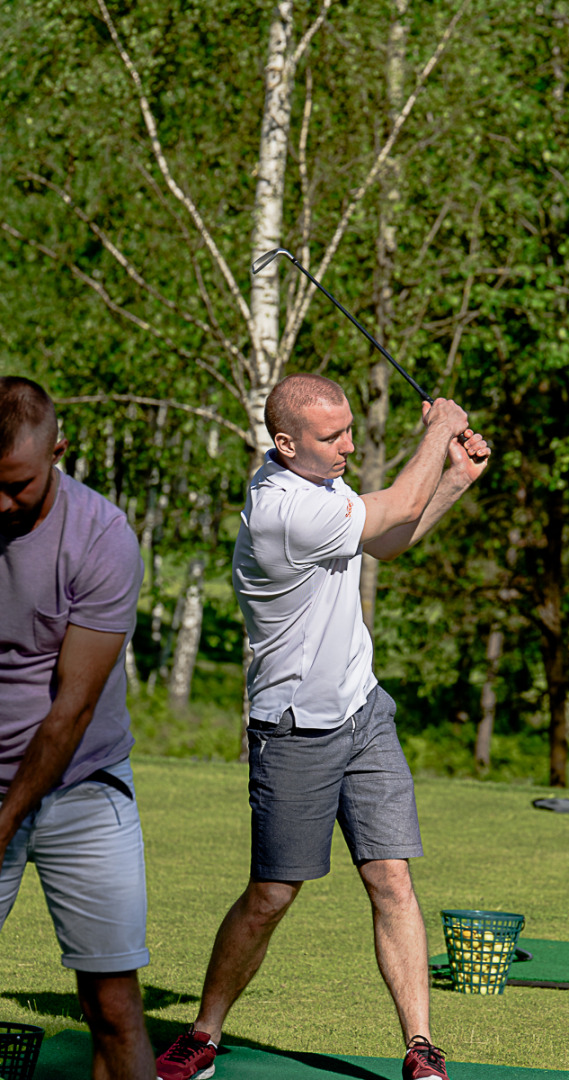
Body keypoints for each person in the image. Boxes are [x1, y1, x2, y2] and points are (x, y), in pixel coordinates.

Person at [156, 373, 490, 1080]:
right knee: (273, 894)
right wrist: (439, 428)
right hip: (295, 729)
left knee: (391, 879)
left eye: (346, 431)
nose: (347, 447)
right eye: (331, 436)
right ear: (285, 443)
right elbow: (397, 502)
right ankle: (205, 1033)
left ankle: (421, 1047)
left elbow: (388, 538)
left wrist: (455, 478)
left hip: (362, 710)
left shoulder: (323, 484)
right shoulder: (282, 510)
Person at [0, 377, 156, 1080]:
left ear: (58, 453)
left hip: (81, 785)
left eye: (18, 486)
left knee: (114, 1008)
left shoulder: (102, 536)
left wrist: (5, 821)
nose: (1, 503)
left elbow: (73, 708)